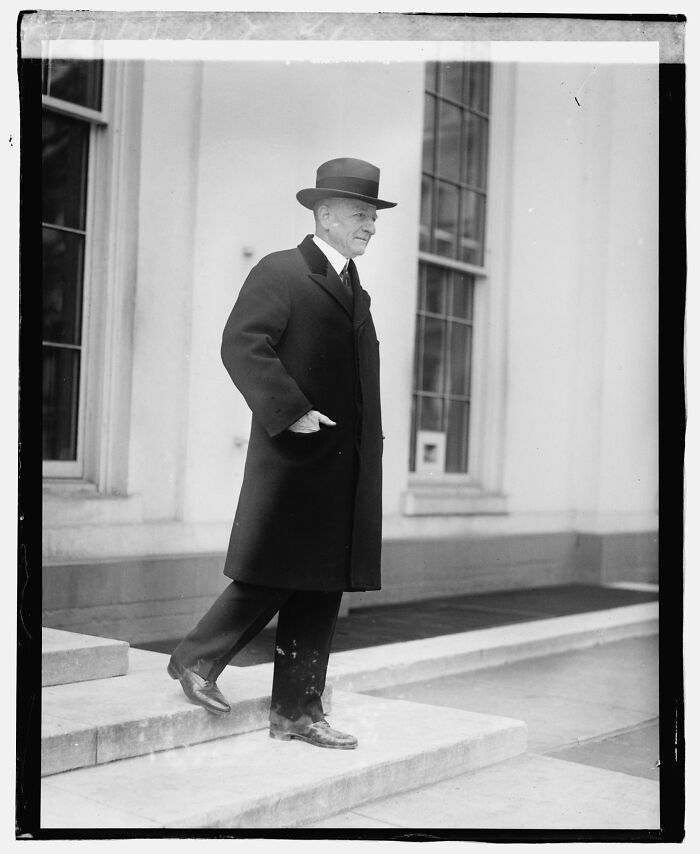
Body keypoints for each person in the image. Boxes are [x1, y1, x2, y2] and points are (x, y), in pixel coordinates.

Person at [167, 157, 396, 750]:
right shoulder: (283, 270)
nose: (370, 225)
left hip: (343, 468)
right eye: (360, 215)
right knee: (271, 573)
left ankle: (297, 711)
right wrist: (289, 408)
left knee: (322, 587)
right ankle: (196, 659)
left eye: (373, 216)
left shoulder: (354, 287)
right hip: (297, 460)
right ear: (323, 215)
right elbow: (241, 343)